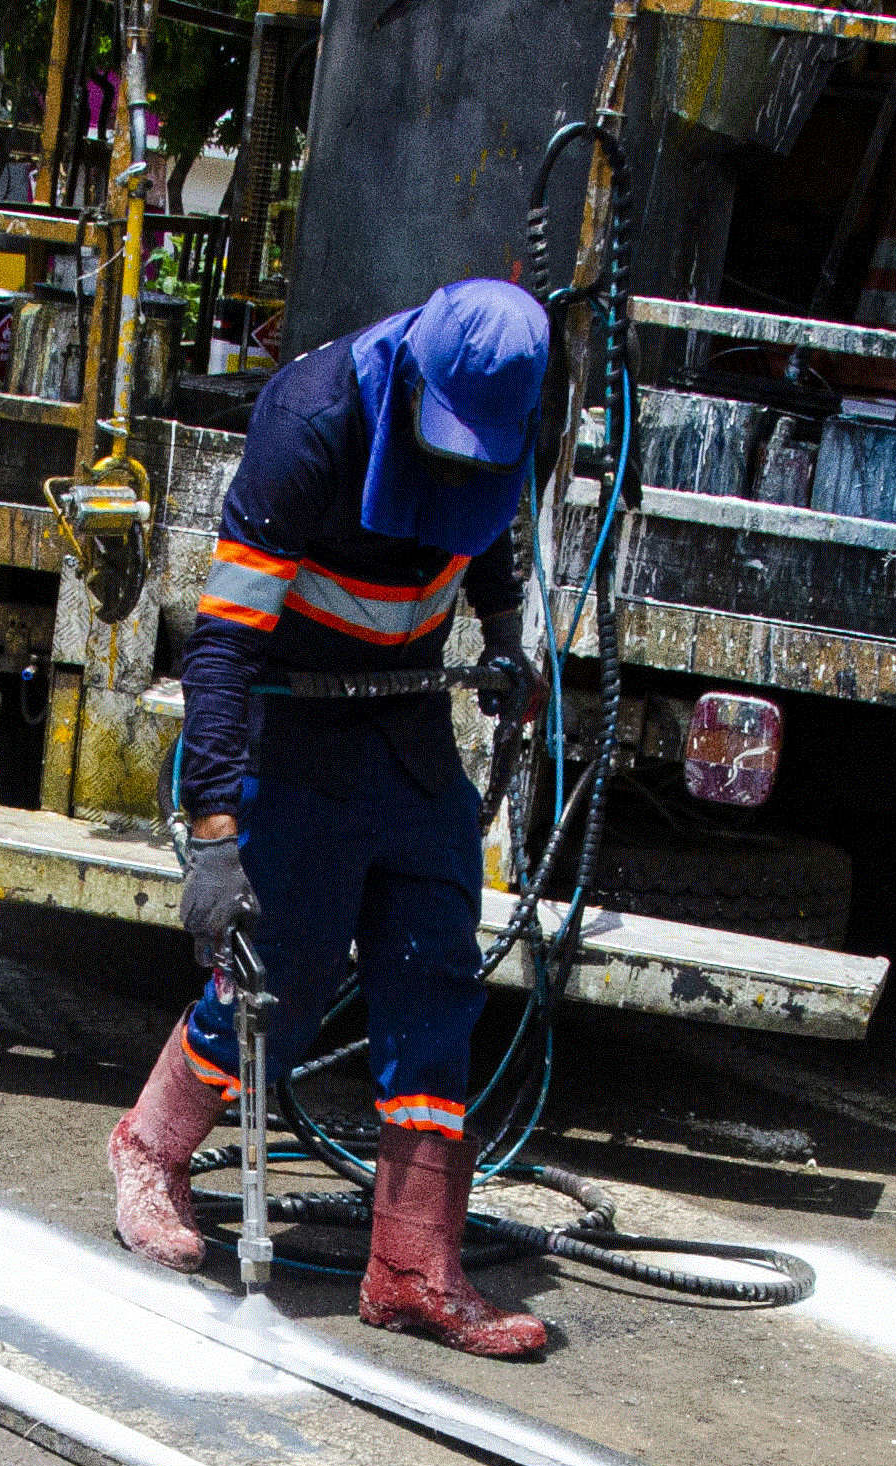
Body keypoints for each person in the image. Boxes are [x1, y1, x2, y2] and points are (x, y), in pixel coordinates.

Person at [102, 279, 548, 1359]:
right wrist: (212, 838)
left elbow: (485, 523)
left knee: (434, 965)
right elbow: (224, 647)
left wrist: (501, 635)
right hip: (292, 720)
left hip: (402, 720)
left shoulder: (504, 421)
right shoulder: (312, 424)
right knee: (283, 969)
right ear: (411, 385)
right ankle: (149, 1152)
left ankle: (411, 1266)